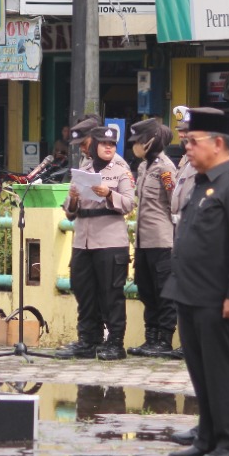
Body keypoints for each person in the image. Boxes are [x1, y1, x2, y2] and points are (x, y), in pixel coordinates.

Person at [163, 107, 229, 456]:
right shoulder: (203, 182)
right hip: (190, 293)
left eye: (193, 141)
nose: (186, 148)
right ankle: (206, 435)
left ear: (218, 144)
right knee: (201, 371)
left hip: (217, 296)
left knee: (222, 371)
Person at [56, 122, 134, 360]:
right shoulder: (85, 169)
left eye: (112, 144)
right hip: (83, 240)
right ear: (94, 146)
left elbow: (129, 204)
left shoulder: (120, 170)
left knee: (111, 294)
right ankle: (88, 340)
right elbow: (69, 211)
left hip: (109, 240)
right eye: (104, 144)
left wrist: (109, 193)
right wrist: (73, 198)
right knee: (84, 292)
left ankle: (115, 342)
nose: (109, 148)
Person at [128, 118, 177, 357]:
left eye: (138, 141)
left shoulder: (165, 169)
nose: (135, 146)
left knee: (164, 292)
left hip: (162, 240)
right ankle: (151, 338)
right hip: (143, 240)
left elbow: (174, 202)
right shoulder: (143, 167)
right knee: (146, 291)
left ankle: (164, 340)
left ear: (150, 142)